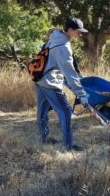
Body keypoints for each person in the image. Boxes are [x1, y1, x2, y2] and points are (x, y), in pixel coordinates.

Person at [34, 18, 89, 151]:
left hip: (40, 79)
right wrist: (81, 94)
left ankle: (44, 139)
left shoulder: (54, 37)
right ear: (70, 30)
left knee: (42, 111)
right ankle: (68, 146)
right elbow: (70, 73)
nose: (80, 35)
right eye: (78, 32)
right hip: (50, 83)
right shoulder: (63, 46)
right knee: (66, 112)